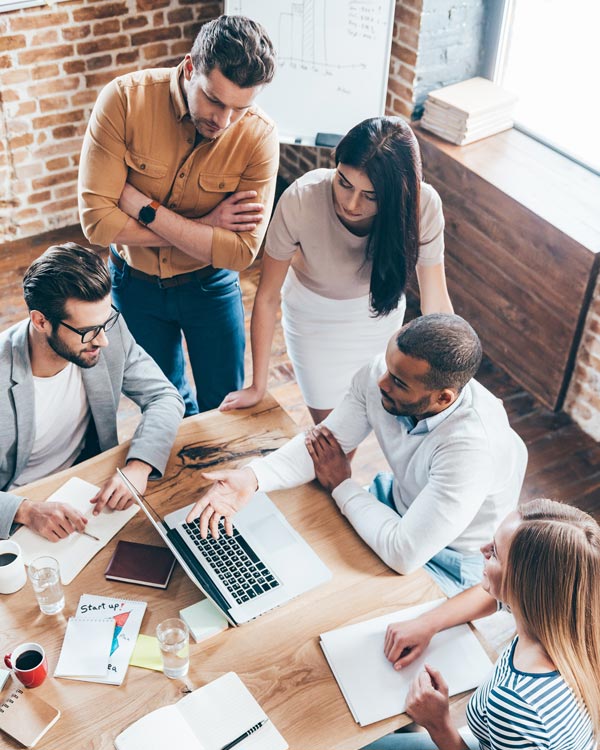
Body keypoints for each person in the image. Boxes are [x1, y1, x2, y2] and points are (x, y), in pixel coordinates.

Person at [187, 314, 528, 596]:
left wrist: (342, 485)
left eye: (398, 382)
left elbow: (404, 553)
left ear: (443, 398)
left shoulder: (471, 449)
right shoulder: (385, 374)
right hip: (394, 506)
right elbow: (324, 445)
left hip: (451, 559)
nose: (381, 382)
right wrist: (252, 477)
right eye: (387, 366)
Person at [78, 15, 278, 416]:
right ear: (190, 68)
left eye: (240, 108)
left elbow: (240, 254)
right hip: (134, 286)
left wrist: (141, 207)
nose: (224, 122)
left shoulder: (259, 136)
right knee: (164, 401)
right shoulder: (123, 101)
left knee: (224, 404)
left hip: (211, 287)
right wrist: (205, 228)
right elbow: (97, 222)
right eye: (215, 100)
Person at [220, 117, 453, 424]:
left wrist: (453, 375)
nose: (351, 203)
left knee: (366, 417)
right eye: (344, 182)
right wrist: (258, 385)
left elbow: (435, 303)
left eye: (370, 196)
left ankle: (343, 472)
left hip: (378, 319)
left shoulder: (423, 205)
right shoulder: (302, 198)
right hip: (313, 320)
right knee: (331, 430)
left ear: (398, 193)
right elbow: (265, 297)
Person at [362, 499, 600, 750]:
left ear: (522, 587)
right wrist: (427, 623)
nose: (483, 550)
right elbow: (491, 597)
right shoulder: (571, 614)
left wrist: (438, 724)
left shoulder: (515, 706)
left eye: (495, 553)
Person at [0, 243, 184, 542]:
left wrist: (138, 466)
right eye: (87, 331)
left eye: (105, 322)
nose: (103, 341)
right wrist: (25, 510)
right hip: (21, 506)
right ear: (41, 321)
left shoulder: (104, 327)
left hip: (89, 484)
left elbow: (163, 396)